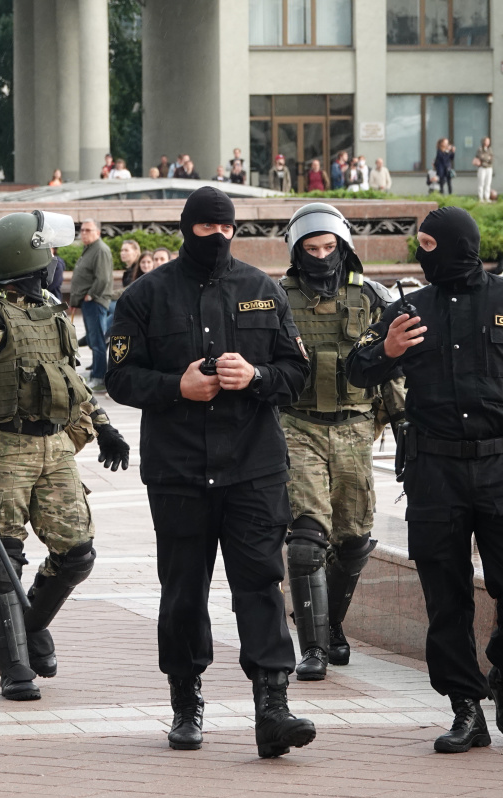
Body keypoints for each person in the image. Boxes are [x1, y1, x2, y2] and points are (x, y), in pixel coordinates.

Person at [346, 206, 503, 754]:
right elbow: (356, 368)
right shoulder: (409, 308)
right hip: (436, 472)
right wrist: (387, 350)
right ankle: (465, 707)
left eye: (428, 244)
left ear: (458, 244)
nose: (421, 254)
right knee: (445, 596)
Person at [105, 186, 317, 758]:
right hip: (179, 471)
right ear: (186, 229)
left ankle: (273, 705)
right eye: (206, 229)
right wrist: (177, 386)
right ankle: (185, 699)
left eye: (227, 229)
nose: (218, 238)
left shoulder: (262, 290)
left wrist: (257, 376)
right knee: (183, 591)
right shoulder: (145, 295)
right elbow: (119, 377)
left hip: (253, 467)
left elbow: (297, 372)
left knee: (260, 584)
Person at [0, 210, 130, 702]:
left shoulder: (50, 308)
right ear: (28, 258)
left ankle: (28, 624)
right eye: (50, 253)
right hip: (2, 448)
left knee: (78, 553)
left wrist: (105, 428)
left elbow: (70, 377)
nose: (56, 262)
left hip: (55, 446)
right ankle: (15, 668)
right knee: (3, 558)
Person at [278, 203, 405, 680]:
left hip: (355, 426)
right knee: (307, 539)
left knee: (353, 539)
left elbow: (391, 364)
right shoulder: (276, 298)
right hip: (298, 424)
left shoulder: (371, 296)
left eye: (328, 247)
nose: (321, 256)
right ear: (296, 251)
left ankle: (330, 625)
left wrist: (403, 422)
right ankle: (313, 647)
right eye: (311, 249)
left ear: (343, 246)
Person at [70, 219, 114, 392]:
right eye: (82, 230)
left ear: (98, 232)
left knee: (97, 342)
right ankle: (96, 373)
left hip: (95, 302)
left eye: (88, 230)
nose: (84, 233)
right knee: (94, 340)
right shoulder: (90, 248)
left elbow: (103, 278)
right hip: (88, 302)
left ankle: (99, 378)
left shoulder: (100, 249)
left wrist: (91, 295)